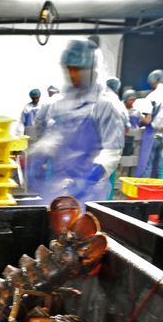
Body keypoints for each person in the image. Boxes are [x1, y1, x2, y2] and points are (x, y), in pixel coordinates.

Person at [27, 39, 124, 203]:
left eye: (78, 70)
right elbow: (57, 134)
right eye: (69, 70)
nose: (73, 75)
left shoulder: (105, 104)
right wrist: (40, 152)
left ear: (91, 70)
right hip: (60, 185)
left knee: (86, 226)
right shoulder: (65, 100)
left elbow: (111, 151)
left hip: (90, 190)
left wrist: (90, 178)